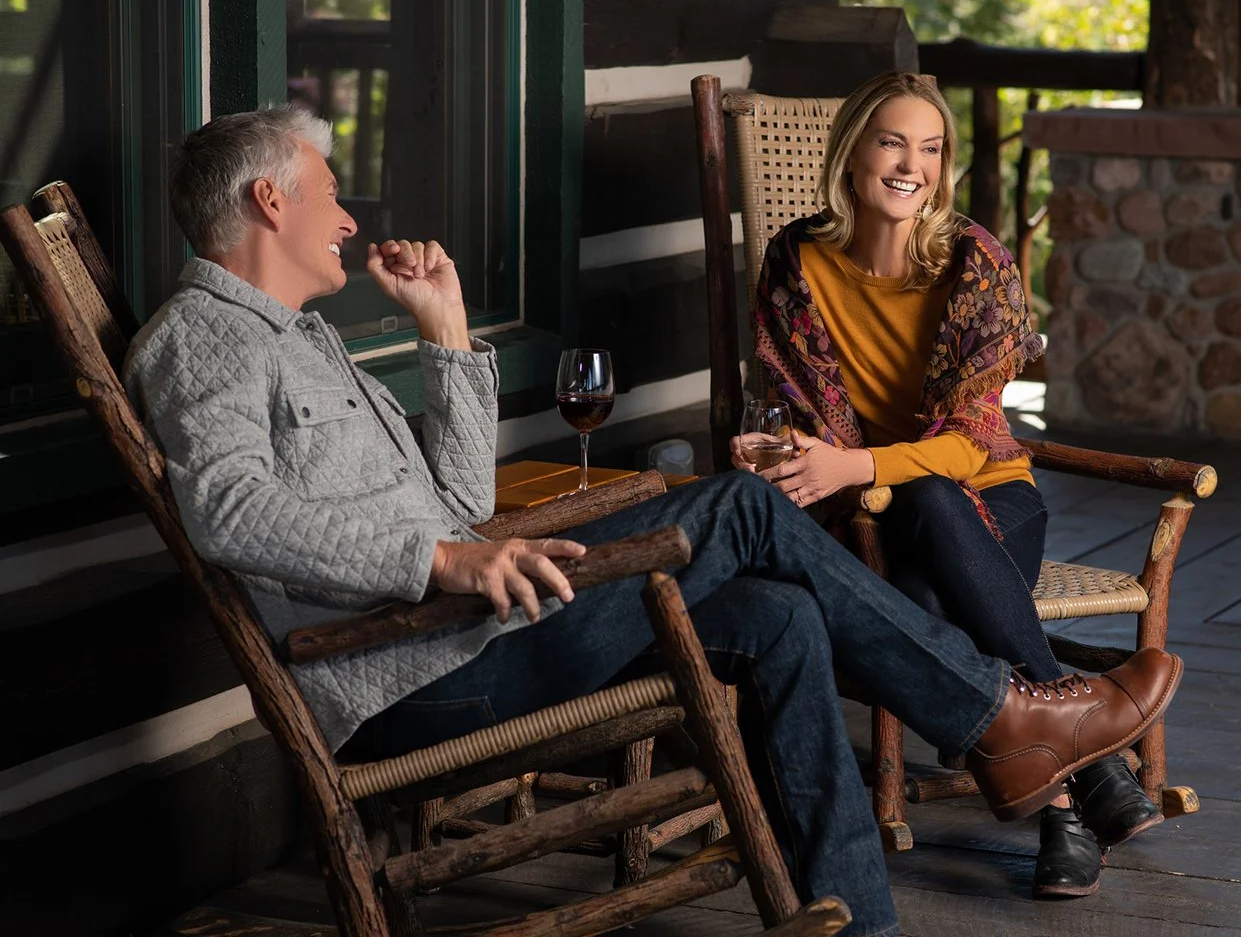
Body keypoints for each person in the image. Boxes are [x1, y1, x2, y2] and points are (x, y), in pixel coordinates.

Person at [125, 105, 1183, 936]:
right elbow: (228, 511)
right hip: (409, 678)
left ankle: (863, 917)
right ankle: (1001, 718)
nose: (349, 217)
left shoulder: (306, 339)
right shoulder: (202, 340)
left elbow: (458, 506)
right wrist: (438, 560)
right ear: (271, 200)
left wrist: (449, 339)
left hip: (471, 632)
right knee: (743, 508)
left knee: (777, 615)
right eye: (326, 195)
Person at [733, 72, 1161, 898]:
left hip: (988, 499)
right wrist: (784, 449)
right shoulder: (795, 264)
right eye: (893, 141)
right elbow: (806, 413)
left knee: (926, 569)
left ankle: (1059, 800)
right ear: (852, 151)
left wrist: (851, 466)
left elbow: (969, 447)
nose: (911, 164)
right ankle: (1081, 775)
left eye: (930, 149)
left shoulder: (975, 264)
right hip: (871, 512)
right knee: (919, 593)